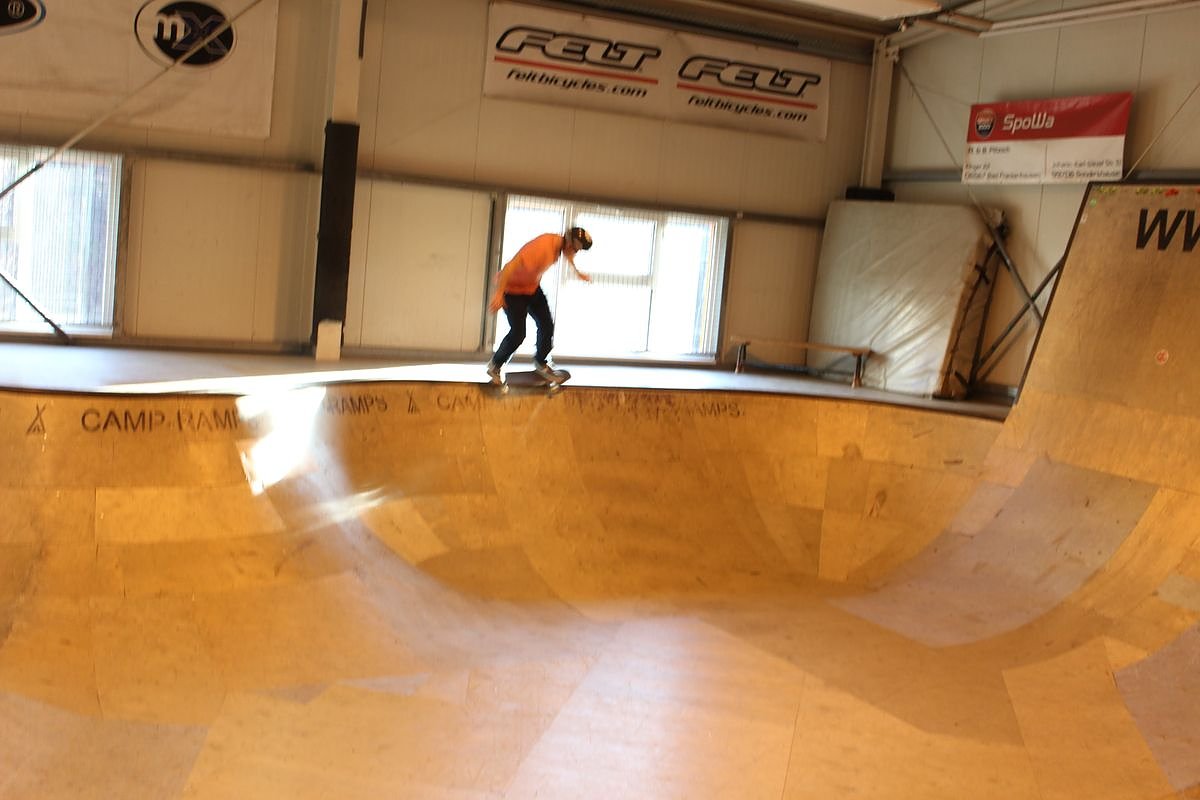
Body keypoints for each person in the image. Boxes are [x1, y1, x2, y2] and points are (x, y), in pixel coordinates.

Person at [486, 226, 592, 383]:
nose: (575, 254)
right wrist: (499, 294)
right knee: (518, 334)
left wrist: (577, 273)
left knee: (547, 325)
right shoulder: (542, 247)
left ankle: (541, 362)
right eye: (576, 250)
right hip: (511, 291)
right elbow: (510, 266)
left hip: (531, 288)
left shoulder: (563, 246)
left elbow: (569, 256)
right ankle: (495, 365)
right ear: (569, 244)